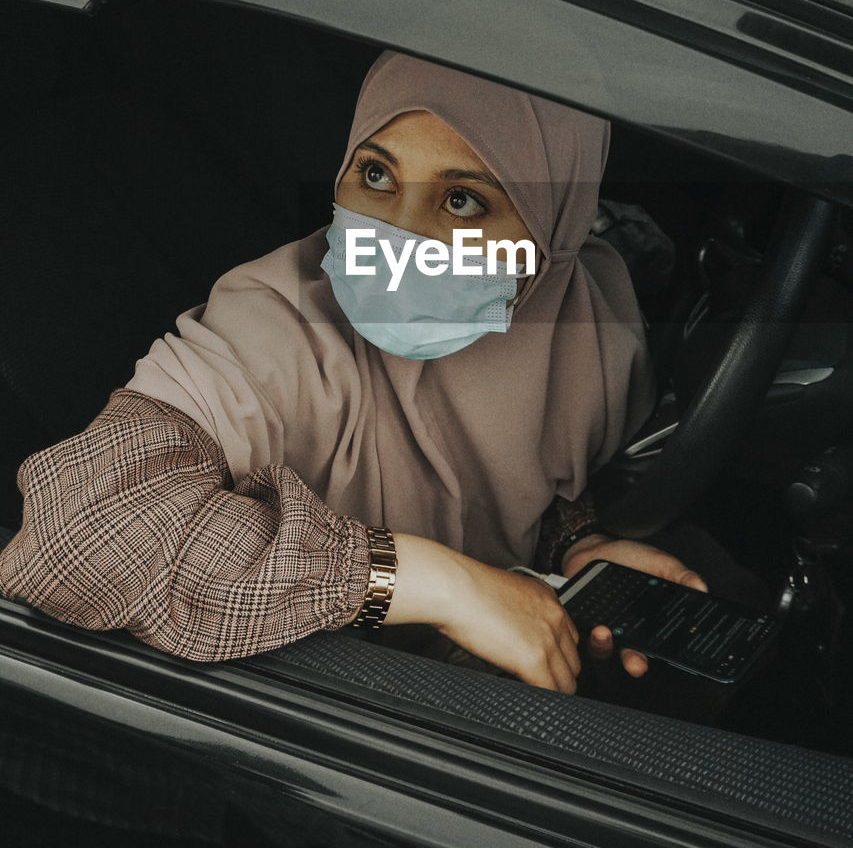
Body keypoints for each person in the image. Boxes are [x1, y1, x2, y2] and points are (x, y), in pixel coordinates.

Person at [0, 52, 707, 693]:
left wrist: (577, 550)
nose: (395, 241)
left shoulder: (588, 325)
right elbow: (79, 534)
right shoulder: (271, 328)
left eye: (462, 200)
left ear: (553, 231)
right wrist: (424, 580)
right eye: (376, 175)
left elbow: (533, 483)